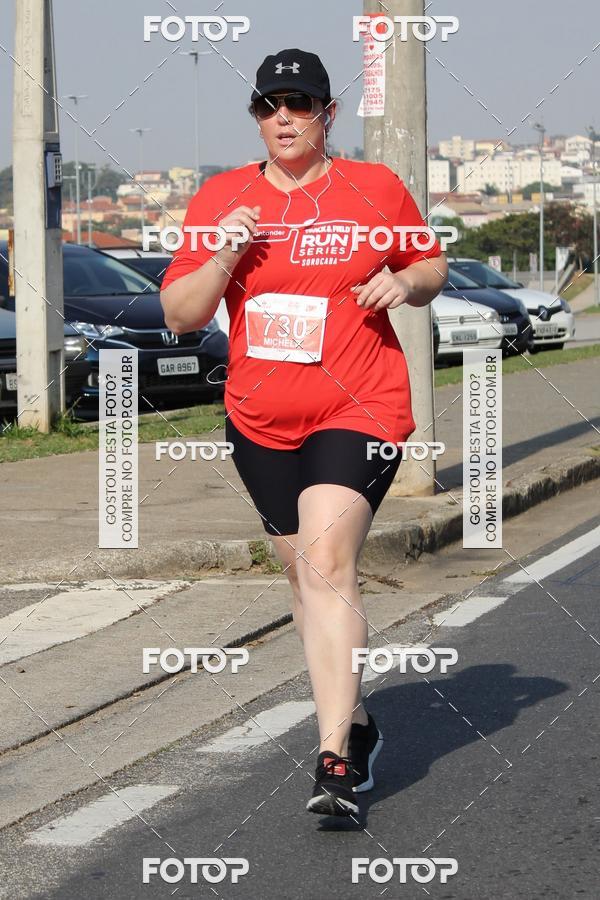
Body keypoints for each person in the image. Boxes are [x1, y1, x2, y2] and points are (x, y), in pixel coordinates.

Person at [160, 48, 447, 817]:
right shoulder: (223, 197)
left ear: (328, 114)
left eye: (299, 103)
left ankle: (333, 763)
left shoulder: (374, 187)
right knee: (301, 575)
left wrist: (404, 281)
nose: (282, 117)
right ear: (256, 117)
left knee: (326, 561)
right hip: (261, 419)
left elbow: (430, 265)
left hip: (362, 406)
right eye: (267, 105)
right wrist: (225, 251)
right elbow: (182, 316)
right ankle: (353, 721)